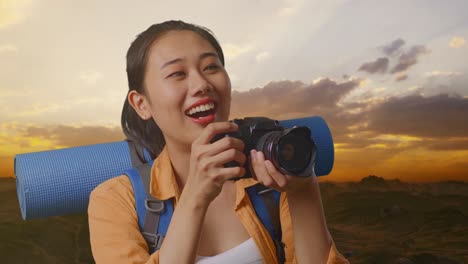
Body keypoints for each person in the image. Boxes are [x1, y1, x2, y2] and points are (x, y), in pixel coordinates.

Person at [88, 20, 350, 264]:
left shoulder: (269, 176)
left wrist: (304, 190)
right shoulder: (114, 200)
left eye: (211, 67)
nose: (201, 84)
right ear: (141, 104)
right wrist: (194, 198)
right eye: (177, 74)